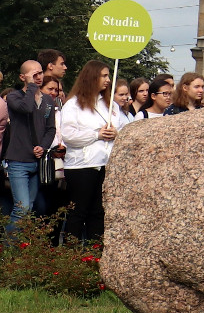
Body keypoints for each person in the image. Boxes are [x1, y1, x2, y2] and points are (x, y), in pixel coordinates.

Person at [54, 61, 118, 245]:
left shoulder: (110, 104)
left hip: (105, 164)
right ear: (92, 77)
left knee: (98, 212)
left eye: (108, 76)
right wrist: (96, 134)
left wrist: (116, 133)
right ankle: (71, 255)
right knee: (78, 212)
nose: (108, 80)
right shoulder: (73, 105)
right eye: (104, 76)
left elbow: (122, 127)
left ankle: (94, 254)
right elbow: (69, 135)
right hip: (82, 165)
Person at [4, 60, 50, 229]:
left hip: (36, 162)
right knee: (21, 209)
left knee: (29, 209)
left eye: (40, 73)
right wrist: (31, 86)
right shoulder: (14, 97)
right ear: (23, 77)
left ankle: (19, 249)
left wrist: (42, 146)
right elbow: (26, 108)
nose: (38, 77)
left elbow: (51, 129)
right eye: (33, 74)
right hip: (18, 161)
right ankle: (7, 250)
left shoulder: (48, 101)